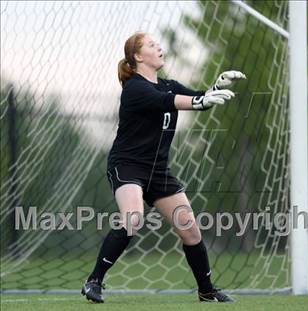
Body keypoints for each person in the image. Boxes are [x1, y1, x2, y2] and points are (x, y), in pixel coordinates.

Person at [81, 32, 246, 303]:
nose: (159, 47)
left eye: (158, 44)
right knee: (133, 218)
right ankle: (94, 281)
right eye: (151, 45)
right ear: (137, 56)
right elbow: (168, 101)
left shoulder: (168, 84)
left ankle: (206, 291)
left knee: (190, 229)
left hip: (157, 170)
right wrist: (199, 101)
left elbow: (198, 99)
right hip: (128, 165)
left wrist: (215, 87)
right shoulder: (134, 87)